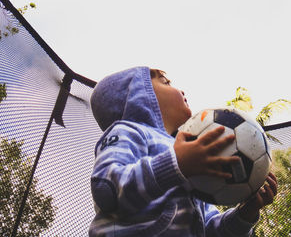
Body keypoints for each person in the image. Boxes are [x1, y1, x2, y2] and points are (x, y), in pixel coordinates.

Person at [89, 66, 277, 236]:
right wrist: (175, 164)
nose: (181, 90)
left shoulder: (189, 155)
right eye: (166, 82)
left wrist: (245, 213)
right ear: (138, 95)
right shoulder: (128, 132)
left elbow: (210, 230)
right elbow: (106, 190)